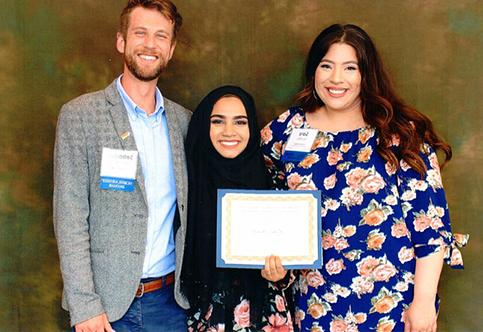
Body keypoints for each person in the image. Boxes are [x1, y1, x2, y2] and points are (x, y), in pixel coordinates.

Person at [261, 24, 468, 332]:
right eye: (326, 66)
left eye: (350, 68)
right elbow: (266, 204)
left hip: (392, 304)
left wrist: (423, 302)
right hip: (314, 302)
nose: (336, 79)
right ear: (313, 71)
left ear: (366, 74)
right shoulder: (286, 130)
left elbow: (429, 225)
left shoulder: (398, 133)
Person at [53, 1, 190, 331]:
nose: (149, 44)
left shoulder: (184, 123)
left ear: (170, 50)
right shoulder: (80, 116)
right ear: (121, 41)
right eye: (140, 33)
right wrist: (84, 305)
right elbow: (69, 217)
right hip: (103, 307)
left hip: (170, 305)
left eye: (160, 36)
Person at [182, 86, 293, 332]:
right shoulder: (187, 181)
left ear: (251, 127)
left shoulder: (272, 179)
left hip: (262, 313)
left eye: (240, 122)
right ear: (204, 125)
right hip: (204, 312)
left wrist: (281, 274)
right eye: (218, 121)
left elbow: (293, 254)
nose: (229, 132)